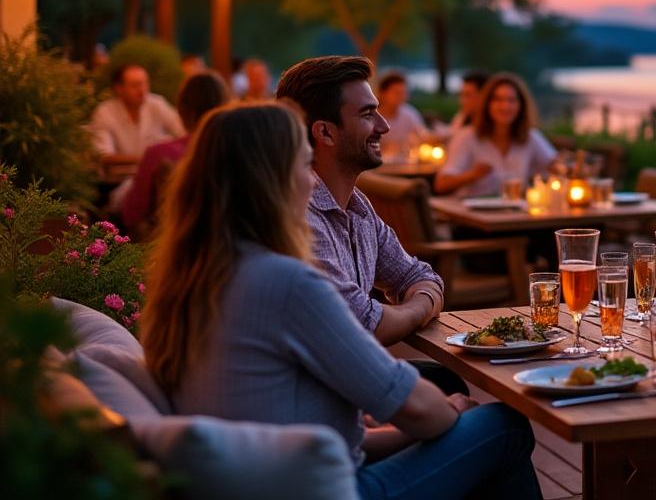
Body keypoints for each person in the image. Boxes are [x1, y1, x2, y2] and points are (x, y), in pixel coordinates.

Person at [140, 102, 541, 500]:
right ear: (270, 181)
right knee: (504, 425)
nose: (311, 182)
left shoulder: (194, 276)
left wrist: (411, 426)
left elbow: (327, 441)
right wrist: (451, 411)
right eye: (301, 166)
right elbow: (420, 411)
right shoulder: (284, 281)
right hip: (329, 489)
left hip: (276, 476)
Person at [275, 57, 464, 391]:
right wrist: (419, 309)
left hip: (347, 380)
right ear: (325, 132)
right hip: (316, 398)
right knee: (506, 426)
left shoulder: (358, 207)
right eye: (367, 114)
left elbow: (419, 276)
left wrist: (408, 308)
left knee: (446, 383)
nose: (384, 125)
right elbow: (362, 324)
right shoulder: (299, 217)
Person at [121, 71, 231, 234]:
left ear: (181, 110)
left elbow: (132, 216)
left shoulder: (159, 154)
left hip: (171, 249)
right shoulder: (241, 153)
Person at [434, 73, 556, 198]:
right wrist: (473, 175)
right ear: (487, 104)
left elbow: (556, 166)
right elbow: (441, 184)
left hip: (514, 213)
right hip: (472, 212)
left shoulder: (530, 137)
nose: (505, 106)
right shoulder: (467, 137)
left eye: (512, 100)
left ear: (521, 106)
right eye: (498, 100)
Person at [89, 63, 185, 167]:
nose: (142, 90)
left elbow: (183, 134)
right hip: (118, 180)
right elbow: (104, 157)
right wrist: (150, 159)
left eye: (144, 84)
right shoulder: (104, 113)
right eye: (135, 85)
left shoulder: (157, 104)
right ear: (119, 89)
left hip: (155, 177)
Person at [376, 71, 426, 158]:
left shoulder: (410, 114)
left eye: (403, 93)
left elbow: (422, 136)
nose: (402, 97)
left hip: (404, 165)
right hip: (376, 166)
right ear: (382, 93)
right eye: (397, 93)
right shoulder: (372, 117)